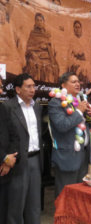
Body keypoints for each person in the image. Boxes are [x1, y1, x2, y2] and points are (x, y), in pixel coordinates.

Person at [4, 73, 43, 224]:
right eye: (28, 86)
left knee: (34, 205)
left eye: (34, 86)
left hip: (35, 160)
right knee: (16, 206)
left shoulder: (37, 107)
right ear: (18, 89)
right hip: (18, 161)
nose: (32, 89)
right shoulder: (8, 107)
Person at [48, 72, 91, 198]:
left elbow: (86, 126)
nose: (77, 84)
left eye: (78, 82)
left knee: (80, 195)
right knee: (66, 196)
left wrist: (90, 115)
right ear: (63, 85)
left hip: (83, 154)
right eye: (73, 82)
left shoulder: (79, 101)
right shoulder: (55, 103)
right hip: (67, 156)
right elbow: (62, 125)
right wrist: (79, 112)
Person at [0, 76, 19, 224]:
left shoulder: (3, 108)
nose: (1, 91)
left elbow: (14, 134)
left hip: (4, 171)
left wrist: (9, 159)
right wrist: (3, 157)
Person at [24, 12, 59, 83]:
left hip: (47, 57)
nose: (39, 22)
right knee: (36, 65)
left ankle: (48, 87)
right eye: (37, 20)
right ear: (35, 22)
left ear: (43, 22)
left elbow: (51, 48)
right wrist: (39, 47)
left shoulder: (47, 34)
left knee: (52, 67)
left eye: (41, 20)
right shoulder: (32, 34)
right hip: (35, 56)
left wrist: (47, 47)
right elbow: (29, 48)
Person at [67, 20, 91, 85]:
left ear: (81, 28)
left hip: (84, 60)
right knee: (77, 68)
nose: (77, 29)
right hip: (75, 61)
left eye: (78, 27)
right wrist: (75, 58)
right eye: (76, 27)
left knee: (87, 68)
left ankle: (85, 86)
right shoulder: (71, 40)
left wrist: (83, 54)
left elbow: (88, 53)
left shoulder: (85, 40)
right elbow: (69, 55)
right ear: (74, 29)